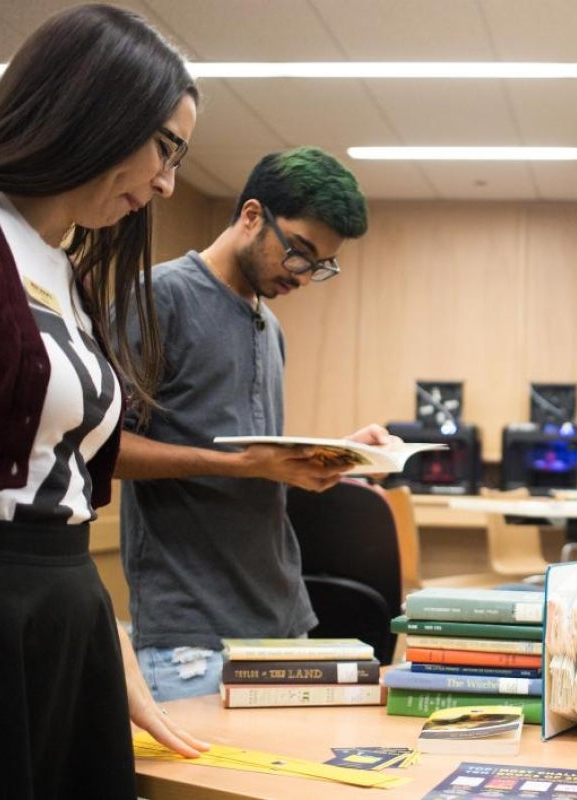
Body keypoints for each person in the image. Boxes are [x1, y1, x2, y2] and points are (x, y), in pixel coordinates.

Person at [0, 4, 209, 795]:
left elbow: (57, 493)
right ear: (95, 107)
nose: (168, 182)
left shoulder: (67, 271)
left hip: (67, 617)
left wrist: (108, 634)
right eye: (165, 148)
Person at [115, 146, 392, 701]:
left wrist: (332, 455)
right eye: (299, 253)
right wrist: (244, 466)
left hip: (282, 621)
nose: (305, 276)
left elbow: (252, 455)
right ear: (251, 216)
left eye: (321, 266)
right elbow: (106, 449)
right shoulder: (160, 297)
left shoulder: (271, 325)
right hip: (191, 637)